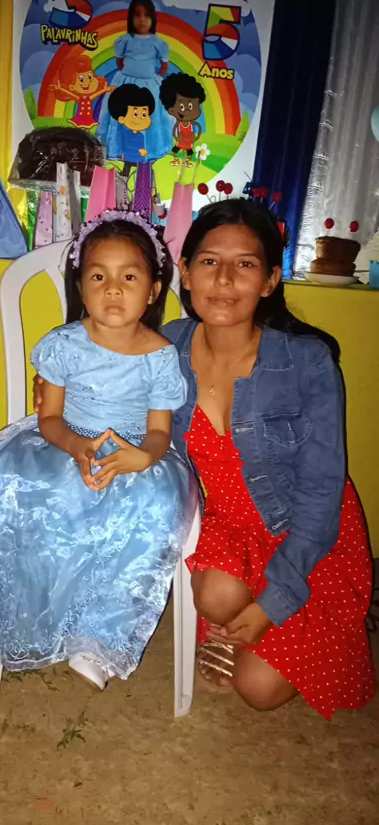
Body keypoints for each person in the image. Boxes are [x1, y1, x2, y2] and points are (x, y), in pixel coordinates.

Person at [33, 200, 376, 720]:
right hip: (227, 524)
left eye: (246, 264)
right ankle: (231, 623)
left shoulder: (307, 362)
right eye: (210, 261)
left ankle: (263, 623)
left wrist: (275, 603)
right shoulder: (161, 348)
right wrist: (53, 391)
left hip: (306, 534)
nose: (224, 279)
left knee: (259, 690)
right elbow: (92, 356)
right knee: (216, 596)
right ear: (186, 275)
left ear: (270, 280)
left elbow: (322, 495)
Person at [0, 212, 197, 691]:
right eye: (98, 277)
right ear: (81, 286)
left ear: (154, 290)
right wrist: (76, 447)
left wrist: (143, 457)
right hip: (63, 441)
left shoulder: (159, 356)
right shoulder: (63, 344)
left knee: (155, 503)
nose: (113, 290)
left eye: (129, 277)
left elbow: (159, 432)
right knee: (3, 491)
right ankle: (18, 614)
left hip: (134, 451)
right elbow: (49, 419)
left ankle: (98, 638)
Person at [97, 0, 172, 163]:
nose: (142, 19)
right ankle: (120, 150)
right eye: (137, 15)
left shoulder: (157, 43)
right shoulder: (125, 40)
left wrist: (153, 79)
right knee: (123, 115)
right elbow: (120, 62)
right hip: (125, 83)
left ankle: (147, 151)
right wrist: (128, 75)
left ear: (153, 19)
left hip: (149, 85)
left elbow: (164, 67)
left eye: (146, 15)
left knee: (149, 117)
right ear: (131, 18)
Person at [48, 55, 113, 131]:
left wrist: (105, 90)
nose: (87, 82)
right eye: (81, 79)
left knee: (87, 129)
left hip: (88, 118)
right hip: (81, 118)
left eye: (90, 77)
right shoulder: (80, 99)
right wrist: (61, 89)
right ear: (71, 87)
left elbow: (96, 94)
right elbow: (71, 94)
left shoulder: (88, 99)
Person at [107, 83, 155, 177]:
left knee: (141, 169)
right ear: (122, 118)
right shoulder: (125, 134)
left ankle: (142, 175)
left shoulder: (141, 135)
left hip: (139, 157)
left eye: (144, 115)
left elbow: (142, 145)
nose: (140, 118)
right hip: (129, 156)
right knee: (127, 167)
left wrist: (144, 151)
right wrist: (123, 153)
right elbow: (123, 144)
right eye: (135, 114)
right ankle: (125, 175)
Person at [159, 72, 206, 167]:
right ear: (171, 110)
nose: (187, 110)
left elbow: (198, 127)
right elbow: (174, 130)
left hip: (189, 141)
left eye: (191, 106)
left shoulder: (192, 123)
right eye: (182, 107)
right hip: (180, 140)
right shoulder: (178, 123)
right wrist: (177, 138)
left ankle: (187, 162)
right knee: (175, 151)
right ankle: (176, 160)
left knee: (190, 153)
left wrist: (196, 137)